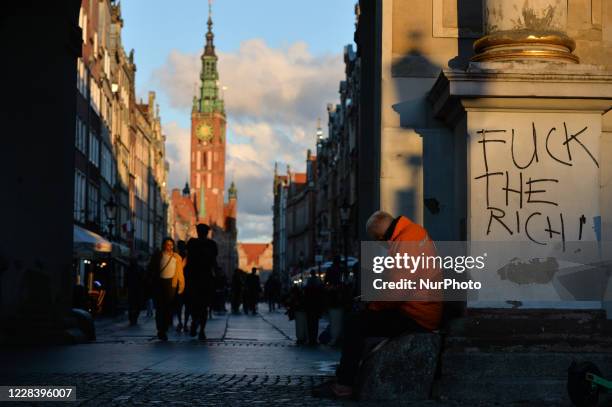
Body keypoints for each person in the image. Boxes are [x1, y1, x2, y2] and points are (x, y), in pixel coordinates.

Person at [313, 210, 443, 399]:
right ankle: (348, 378)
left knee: (355, 324)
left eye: (377, 241)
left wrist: (372, 306)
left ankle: (344, 385)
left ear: (380, 236)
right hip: (423, 309)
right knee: (360, 321)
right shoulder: (414, 231)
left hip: (417, 316)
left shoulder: (405, 243)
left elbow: (397, 290)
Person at [147, 237, 185, 341]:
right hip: (159, 283)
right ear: (163, 245)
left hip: (171, 284)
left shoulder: (177, 257)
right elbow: (150, 268)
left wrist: (181, 285)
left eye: (171, 244)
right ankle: (161, 329)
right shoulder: (157, 255)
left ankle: (164, 327)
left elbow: (180, 273)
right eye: (167, 244)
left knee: (168, 308)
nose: (169, 246)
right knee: (160, 307)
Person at [186, 223, 218, 340]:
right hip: (204, 278)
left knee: (196, 304)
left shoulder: (192, 243)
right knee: (203, 306)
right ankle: (201, 329)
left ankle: (197, 324)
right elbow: (214, 262)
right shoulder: (211, 244)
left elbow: (188, 259)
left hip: (195, 277)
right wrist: (217, 274)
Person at [304, 269, 324, 346]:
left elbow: (305, 296)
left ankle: (310, 339)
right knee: (315, 323)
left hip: (309, 307)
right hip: (316, 307)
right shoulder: (318, 284)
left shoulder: (308, 285)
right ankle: (314, 339)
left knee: (310, 323)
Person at [174, 240, 189, 332]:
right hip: (179, 284)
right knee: (179, 305)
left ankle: (184, 323)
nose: (180, 248)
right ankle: (181, 323)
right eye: (179, 246)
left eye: (181, 246)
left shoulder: (188, 258)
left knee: (186, 305)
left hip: (186, 284)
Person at [127, 257, 146, 326]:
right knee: (135, 305)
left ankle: (133, 318)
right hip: (136, 290)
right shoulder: (139, 268)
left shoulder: (130, 269)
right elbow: (143, 279)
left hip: (134, 289)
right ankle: (133, 318)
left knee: (133, 305)